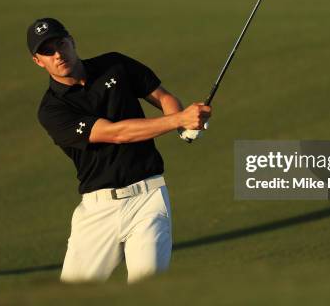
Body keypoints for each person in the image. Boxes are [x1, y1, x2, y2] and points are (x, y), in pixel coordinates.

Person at [26, 17, 211, 283]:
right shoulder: (52, 110)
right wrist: (178, 121)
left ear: (72, 42)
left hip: (149, 198)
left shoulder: (114, 64)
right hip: (98, 211)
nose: (58, 54)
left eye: (61, 43)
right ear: (38, 61)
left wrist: (184, 124)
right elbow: (116, 134)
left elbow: (163, 97)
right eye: (47, 51)